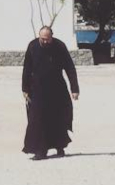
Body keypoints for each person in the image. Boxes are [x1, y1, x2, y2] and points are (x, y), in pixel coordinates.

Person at [22, 25, 80, 160]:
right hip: (37, 88)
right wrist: (25, 88)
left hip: (57, 88)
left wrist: (75, 89)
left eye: (47, 39)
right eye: (42, 39)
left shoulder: (60, 46)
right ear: (39, 36)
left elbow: (70, 68)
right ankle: (40, 151)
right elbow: (27, 68)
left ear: (51, 36)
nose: (45, 42)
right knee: (37, 119)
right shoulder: (32, 46)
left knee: (58, 118)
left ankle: (60, 147)